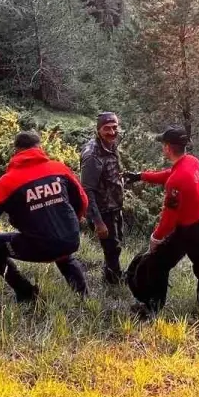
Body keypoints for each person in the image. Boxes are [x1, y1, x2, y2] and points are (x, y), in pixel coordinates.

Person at [0, 131, 89, 304]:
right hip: (70, 240)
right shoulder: (59, 169)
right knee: (62, 249)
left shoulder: (8, 182)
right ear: (39, 147)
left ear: (16, 151)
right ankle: (84, 298)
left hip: (38, 246)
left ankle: (26, 292)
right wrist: (70, 224)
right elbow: (83, 200)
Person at [124, 125, 199, 313]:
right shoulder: (192, 161)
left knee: (158, 264)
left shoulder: (177, 180)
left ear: (167, 147)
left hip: (188, 230)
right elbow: (170, 174)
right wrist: (141, 176)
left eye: (163, 145)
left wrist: (156, 238)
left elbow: (169, 218)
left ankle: (152, 308)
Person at [80, 112, 126, 285]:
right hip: (103, 210)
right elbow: (87, 190)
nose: (112, 132)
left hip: (115, 205)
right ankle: (114, 281)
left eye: (115, 127)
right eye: (107, 128)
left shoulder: (111, 145)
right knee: (112, 247)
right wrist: (98, 222)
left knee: (115, 243)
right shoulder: (92, 156)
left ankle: (109, 273)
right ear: (98, 130)